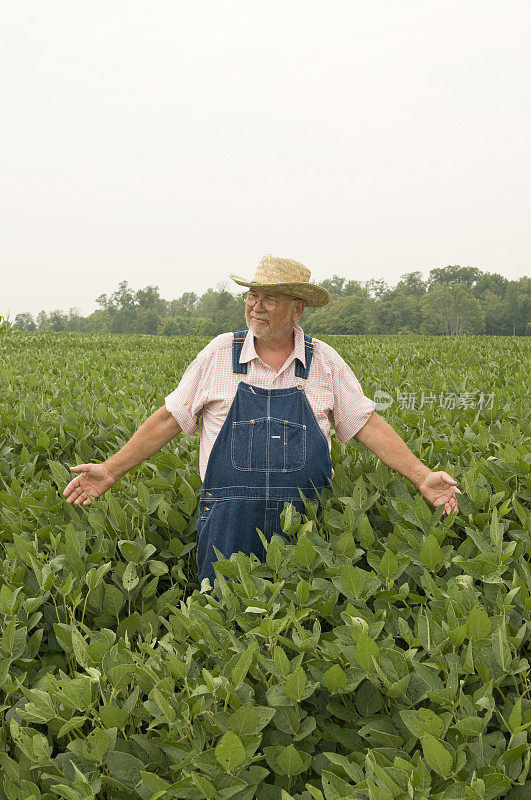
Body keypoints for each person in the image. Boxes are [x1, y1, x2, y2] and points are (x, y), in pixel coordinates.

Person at [63, 255, 461, 588]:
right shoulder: (220, 353)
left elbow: (367, 424)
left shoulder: (324, 362)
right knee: (222, 621)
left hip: (306, 521)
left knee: (300, 626)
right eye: (253, 295)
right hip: (227, 520)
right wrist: (111, 470)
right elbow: (170, 418)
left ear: (298, 307)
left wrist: (421, 475)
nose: (257, 306)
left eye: (271, 298)